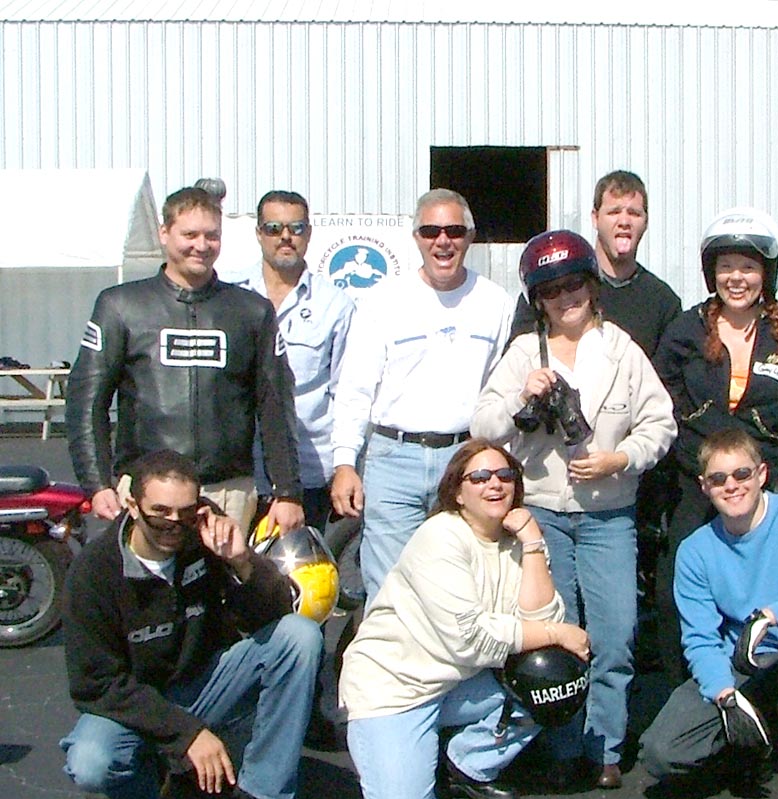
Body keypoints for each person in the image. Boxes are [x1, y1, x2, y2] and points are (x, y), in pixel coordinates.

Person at [472, 230, 676, 790]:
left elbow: (660, 423)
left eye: (573, 286)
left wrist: (620, 459)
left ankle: (606, 744)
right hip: (542, 514)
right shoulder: (523, 352)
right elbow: (482, 425)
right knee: (555, 632)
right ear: (538, 300)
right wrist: (522, 397)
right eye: (551, 290)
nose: (565, 298)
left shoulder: (622, 350)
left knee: (615, 633)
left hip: (609, 515)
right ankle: (560, 743)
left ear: (591, 286)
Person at [59, 449, 322, 799]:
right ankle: (142, 795)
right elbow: (96, 685)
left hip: (205, 684)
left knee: (299, 635)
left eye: (184, 513)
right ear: (132, 506)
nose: (172, 524)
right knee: (91, 760)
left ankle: (265, 794)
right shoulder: (94, 572)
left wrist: (241, 562)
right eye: (159, 512)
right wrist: (187, 734)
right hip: (134, 704)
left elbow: (273, 616)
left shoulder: (204, 539)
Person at [338, 440, 589, 799]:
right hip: (396, 687)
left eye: (505, 475)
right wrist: (556, 633)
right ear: (457, 492)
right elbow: (471, 640)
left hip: (461, 683)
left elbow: (542, 616)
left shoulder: (517, 541)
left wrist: (533, 542)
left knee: (556, 675)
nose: (495, 484)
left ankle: (467, 762)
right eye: (480, 477)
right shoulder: (440, 537)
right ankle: (397, 743)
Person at [652, 207, 778, 684]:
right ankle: (694, 689)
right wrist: (700, 463)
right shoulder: (686, 332)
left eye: (748, 267)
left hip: (768, 486)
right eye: (727, 267)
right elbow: (662, 403)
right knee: (676, 592)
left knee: (776, 591)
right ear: (711, 273)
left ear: (766, 274)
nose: (737, 278)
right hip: (700, 484)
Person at [639, 429, 778, 799]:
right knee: (661, 753)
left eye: (742, 474)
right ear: (704, 486)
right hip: (742, 666)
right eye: (719, 478)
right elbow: (701, 640)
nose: (732, 486)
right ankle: (743, 748)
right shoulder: (695, 551)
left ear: (761, 474)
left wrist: (775, 615)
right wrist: (725, 697)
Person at [65, 186, 304, 537]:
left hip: (228, 492)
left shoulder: (252, 311)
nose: (201, 245)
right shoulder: (120, 306)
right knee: (145, 574)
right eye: (189, 235)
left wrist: (288, 491)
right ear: (165, 233)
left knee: (227, 573)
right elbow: (86, 400)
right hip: (147, 492)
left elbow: (275, 405)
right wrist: (97, 483)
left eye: (211, 235)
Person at [330, 189, 515, 601]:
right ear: (416, 237)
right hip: (392, 462)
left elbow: (503, 391)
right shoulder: (382, 301)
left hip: (465, 461)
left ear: (470, 237)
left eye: (454, 231)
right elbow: (355, 390)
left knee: (462, 585)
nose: (442, 241)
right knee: (390, 590)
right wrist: (344, 463)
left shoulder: (496, 303)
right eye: (431, 231)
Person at [232, 189, 355, 531]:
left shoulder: (335, 305)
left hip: (309, 476)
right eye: (273, 228)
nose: (285, 237)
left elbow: (346, 395)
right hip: (239, 475)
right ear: (259, 233)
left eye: (296, 228)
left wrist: (346, 466)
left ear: (309, 233)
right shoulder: (230, 297)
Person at [509, 171, 682, 358]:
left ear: (646, 222)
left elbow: (665, 373)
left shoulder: (663, 302)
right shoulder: (548, 287)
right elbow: (517, 361)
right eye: (614, 212)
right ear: (595, 218)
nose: (624, 221)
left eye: (634, 213)